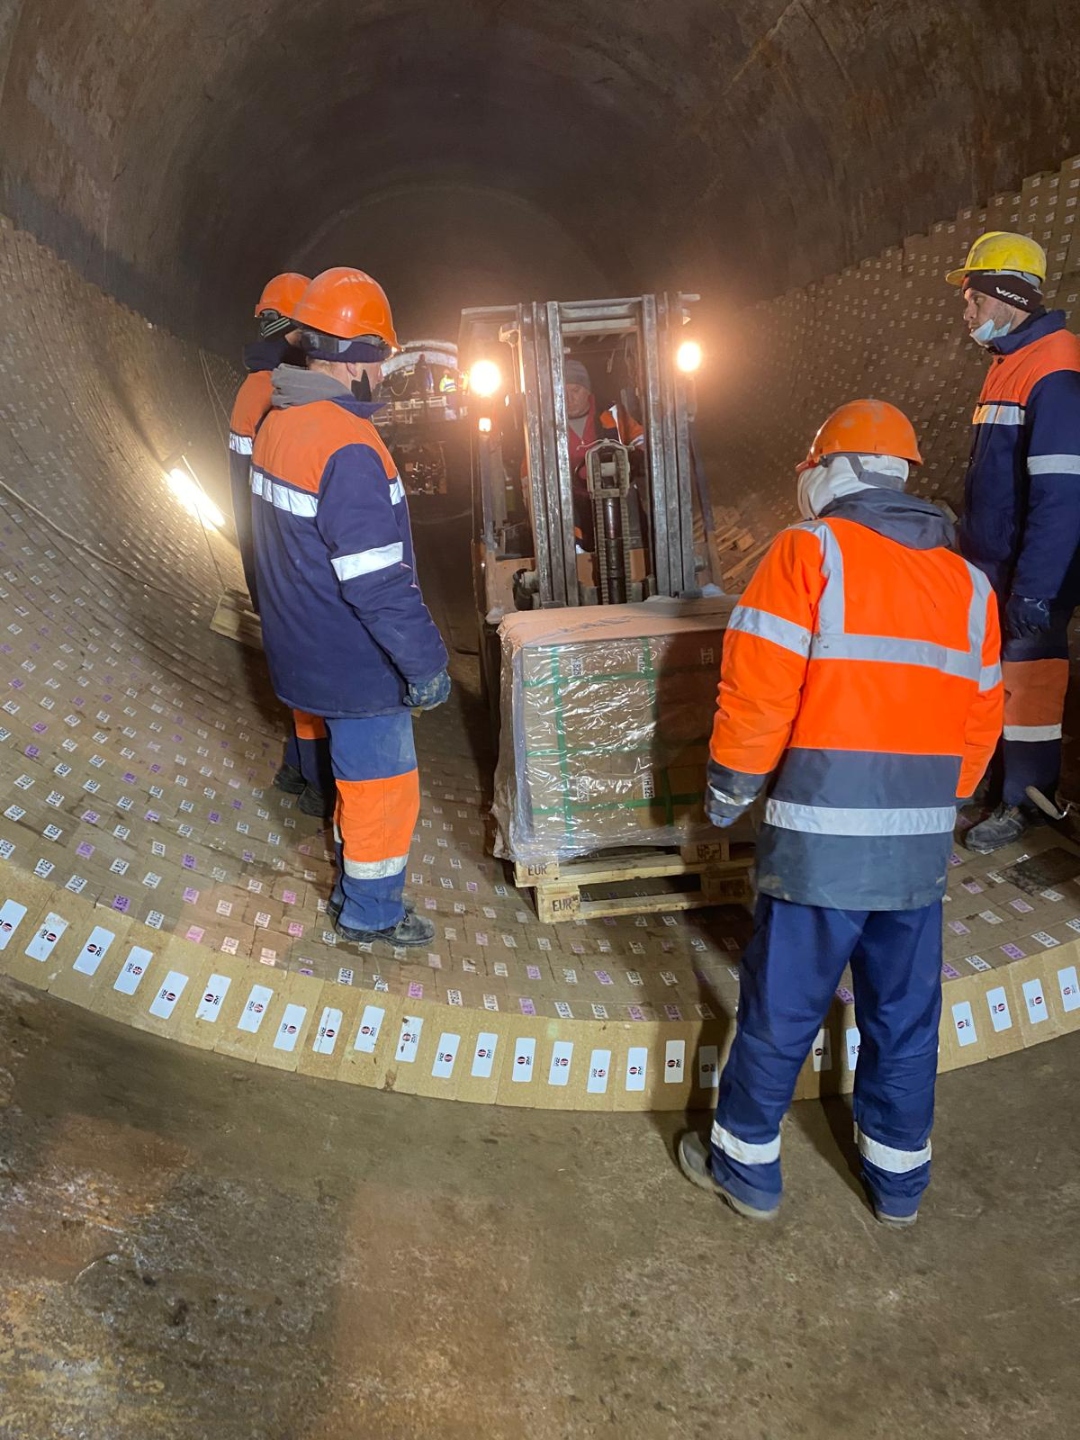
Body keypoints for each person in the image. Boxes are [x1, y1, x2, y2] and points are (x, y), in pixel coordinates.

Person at [677, 400, 1003, 1228]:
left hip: (821, 850)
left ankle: (745, 1165)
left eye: (809, 468)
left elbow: (757, 691)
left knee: (782, 1009)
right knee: (904, 1018)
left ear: (834, 469)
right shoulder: (970, 586)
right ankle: (898, 1186)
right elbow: (980, 724)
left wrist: (726, 794)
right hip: (917, 856)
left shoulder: (809, 553)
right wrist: (941, 804)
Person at [249, 267, 450, 949]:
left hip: (303, 644)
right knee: (381, 787)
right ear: (360, 358)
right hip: (354, 660)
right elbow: (377, 583)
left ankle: (355, 886)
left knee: (352, 778)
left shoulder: (282, 420)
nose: (384, 374)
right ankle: (370, 912)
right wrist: (425, 663)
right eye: (383, 359)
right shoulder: (349, 446)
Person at [944, 232, 1080, 853]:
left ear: (1007, 295)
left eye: (973, 298)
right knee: (991, 683)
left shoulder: (1056, 366)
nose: (967, 313)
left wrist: (1037, 588)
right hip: (992, 566)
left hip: (1031, 575)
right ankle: (991, 781)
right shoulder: (1011, 361)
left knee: (1030, 689)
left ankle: (1028, 799)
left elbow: (1062, 494)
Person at [227, 271, 333, 815]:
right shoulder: (277, 393)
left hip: (262, 551)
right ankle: (316, 780)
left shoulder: (257, 384)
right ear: (296, 330)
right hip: (284, 556)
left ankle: (296, 768)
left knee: (296, 660)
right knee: (312, 665)